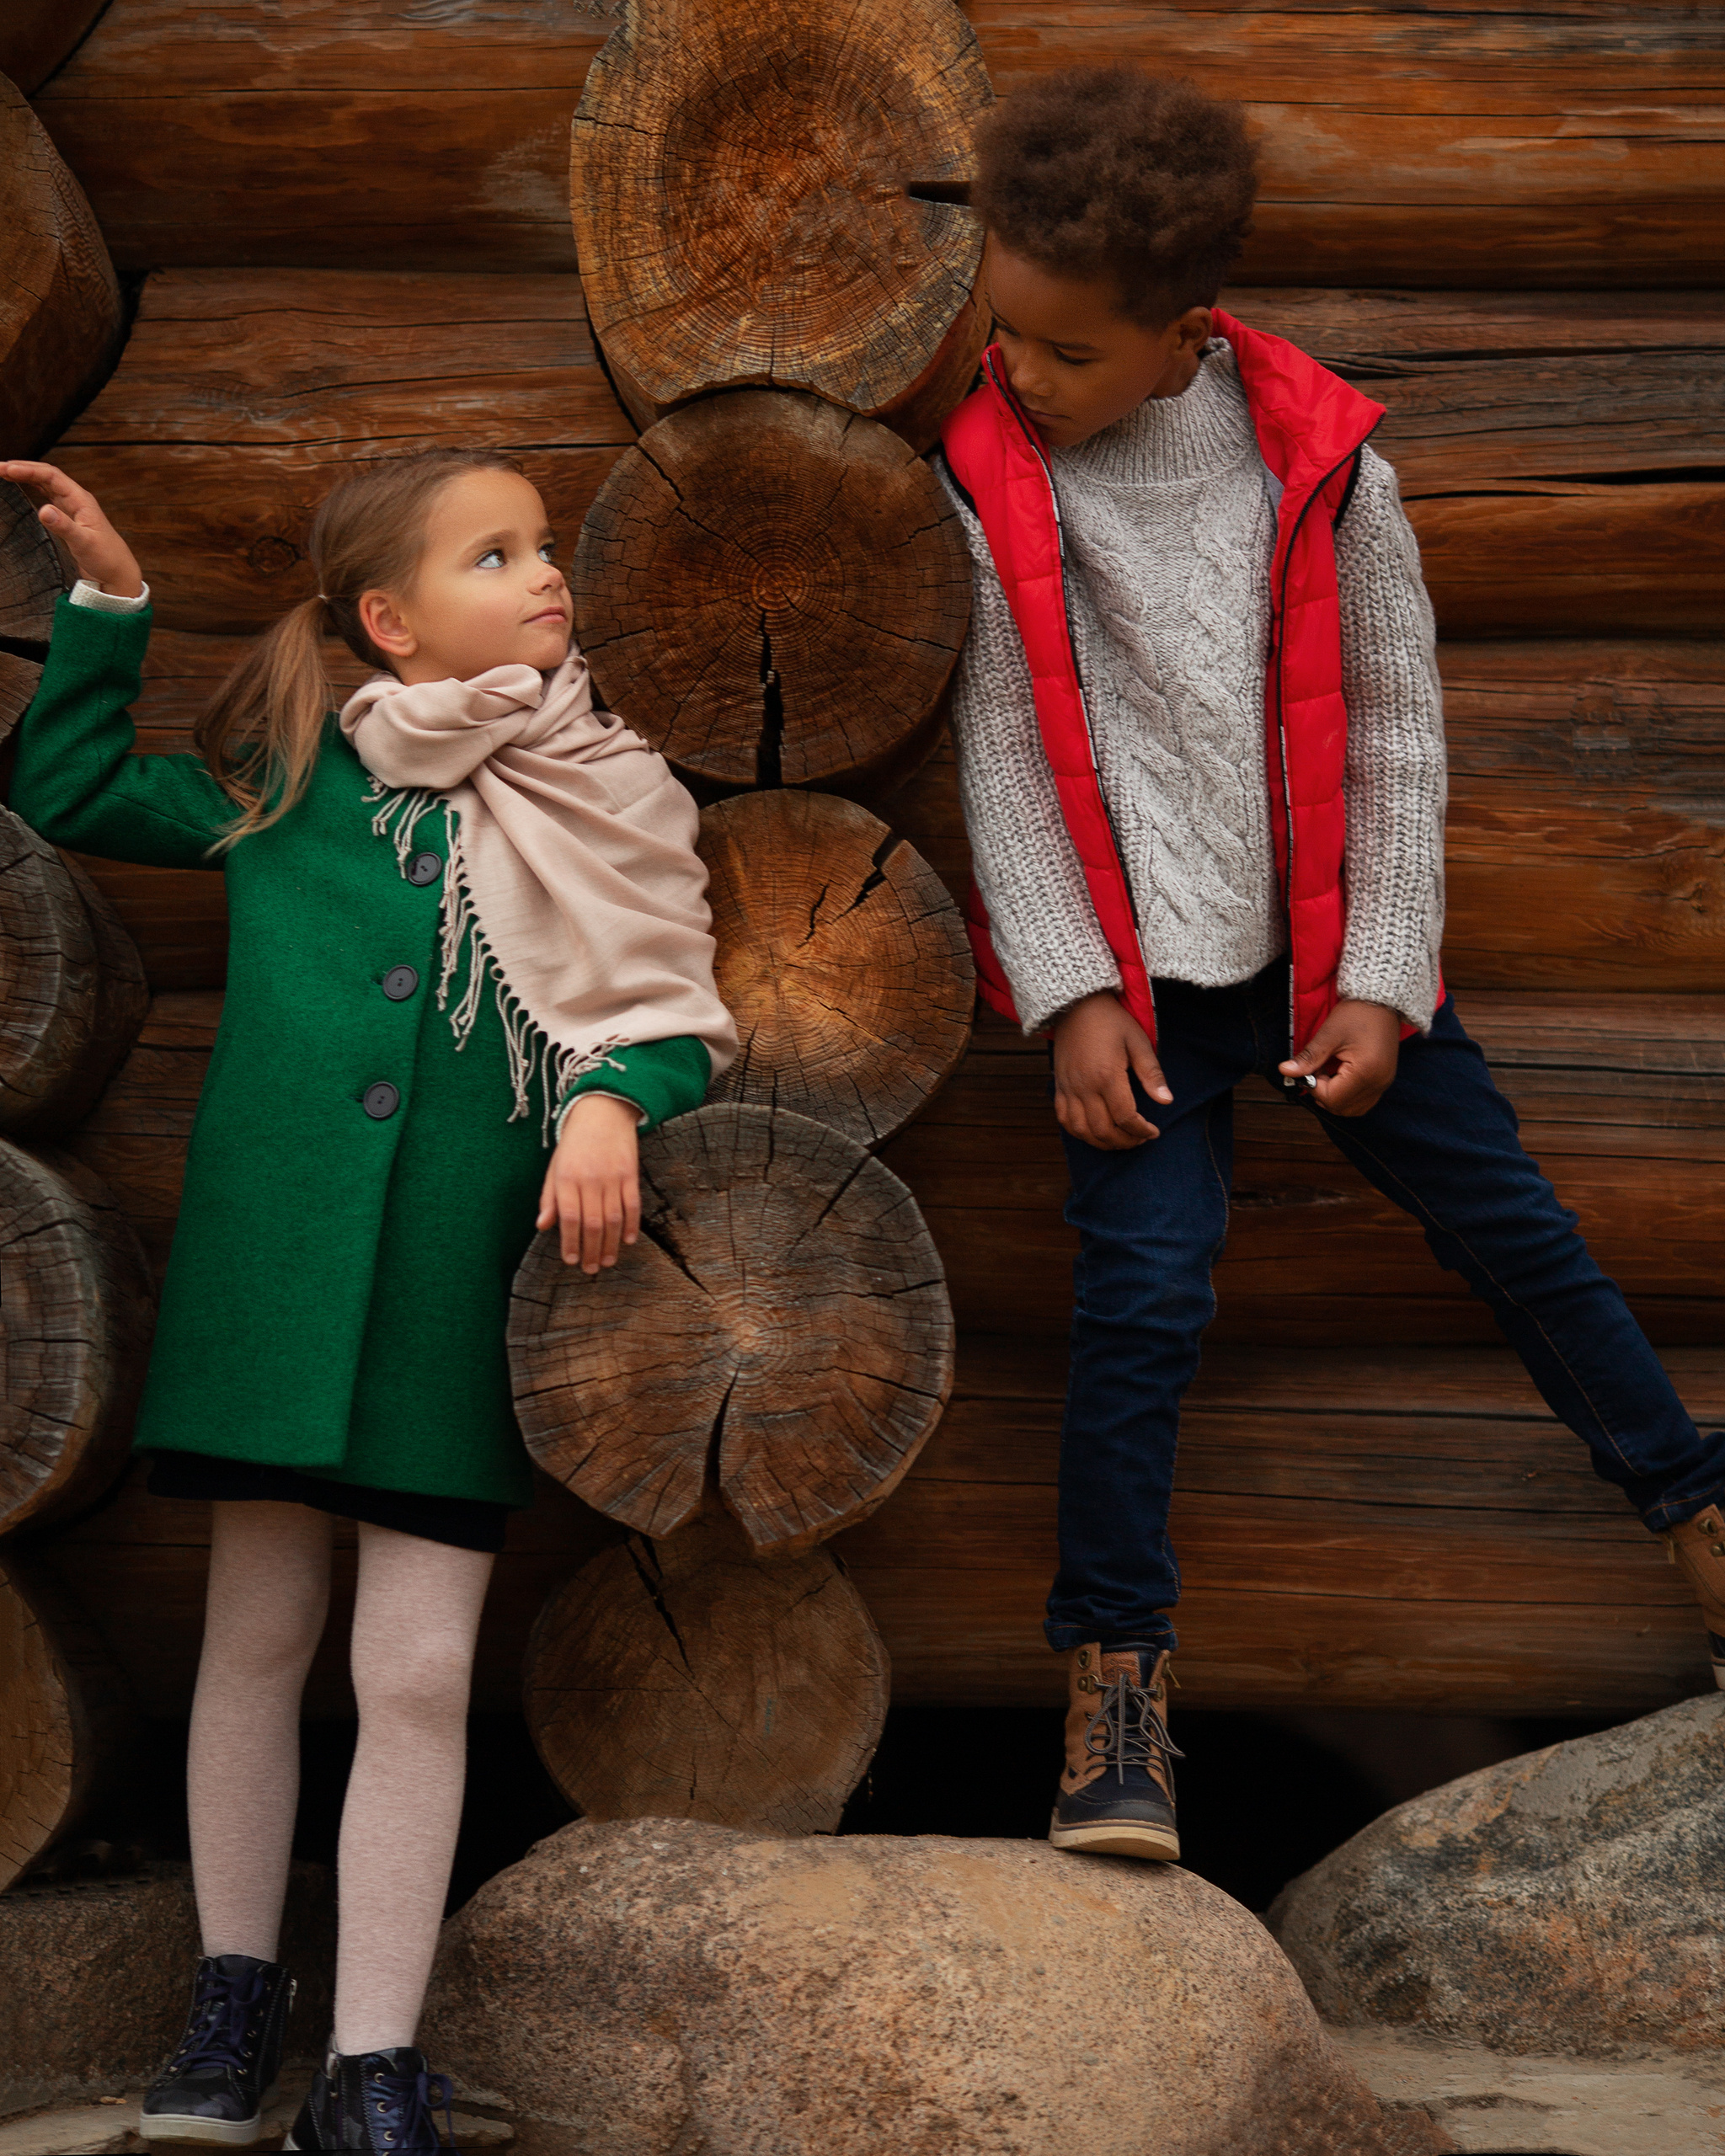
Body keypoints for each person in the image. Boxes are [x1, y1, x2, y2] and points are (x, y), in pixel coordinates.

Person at [934, 68, 1725, 1865]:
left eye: (1059, 350)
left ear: (1180, 331)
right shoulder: (984, 475)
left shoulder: (1319, 460)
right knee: (1141, 1312)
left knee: (1515, 1229)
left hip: (1329, 966)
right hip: (1135, 992)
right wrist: (1069, 992)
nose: (1018, 374)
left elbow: (1395, 735)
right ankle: (1115, 1689)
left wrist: (1378, 971)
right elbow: (1000, 753)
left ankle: (1698, 1513)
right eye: (1002, 332)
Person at [3, 449, 737, 2148]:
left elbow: (664, 999)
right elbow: (78, 785)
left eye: (544, 545)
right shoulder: (289, 776)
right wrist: (113, 603)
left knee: (414, 1669)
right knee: (253, 1642)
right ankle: (233, 1989)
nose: (546, 572)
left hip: (442, 1304)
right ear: (389, 622)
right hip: (272, 1284)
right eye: (497, 553)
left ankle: (372, 2060)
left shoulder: (607, 786)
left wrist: (614, 1093)